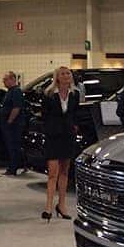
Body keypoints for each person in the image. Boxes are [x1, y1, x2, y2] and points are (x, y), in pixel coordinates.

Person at [40, 66, 78, 222]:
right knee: (52, 173)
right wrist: (50, 129)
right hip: (53, 137)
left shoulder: (75, 94)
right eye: (63, 74)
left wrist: (74, 127)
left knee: (65, 172)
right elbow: (44, 116)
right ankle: (48, 207)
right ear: (57, 77)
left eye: (68, 73)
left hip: (68, 136)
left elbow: (75, 114)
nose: (66, 76)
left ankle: (61, 205)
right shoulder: (49, 95)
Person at [0, 70, 28, 176]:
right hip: (10, 124)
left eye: (5, 80)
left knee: (13, 146)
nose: (3, 82)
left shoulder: (16, 91)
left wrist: (10, 121)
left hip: (14, 125)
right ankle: (18, 165)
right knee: (11, 146)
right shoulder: (9, 91)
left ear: (12, 79)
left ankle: (13, 168)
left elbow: (16, 108)